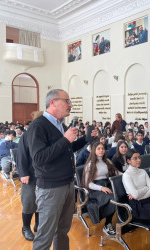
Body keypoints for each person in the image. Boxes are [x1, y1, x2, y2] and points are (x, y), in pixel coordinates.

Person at [27, 89, 92, 250]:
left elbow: (65, 148)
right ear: (53, 102)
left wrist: (86, 139)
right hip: (51, 188)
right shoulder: (38, 126)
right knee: (45, 236)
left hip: (67, 184)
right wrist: (65, 139)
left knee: (62, 231)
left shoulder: (59, 124)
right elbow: (39, 158)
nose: (70, 105)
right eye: (66, 101)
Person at [16, 111, 43, 241]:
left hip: (43, 175)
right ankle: (25, 227)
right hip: (30, 175)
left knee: (40, 200)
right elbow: (21, 155)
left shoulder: (44, 134)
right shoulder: (26, 135)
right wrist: (24, 173)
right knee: (29, 201)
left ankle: (38, 224)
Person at [82, 142, 119, 234]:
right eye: (98, 149)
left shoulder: (107, 161)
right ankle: (107, 224)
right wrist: (101, 188)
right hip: (95, 189)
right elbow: (88, 184)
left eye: (102, 148)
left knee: (120, 195)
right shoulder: (90, 164)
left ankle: (122, 219)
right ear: (94, 150)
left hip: (107, 184)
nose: (101, 150)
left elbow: (117, 173)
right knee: (113, 199)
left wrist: (128, 175)